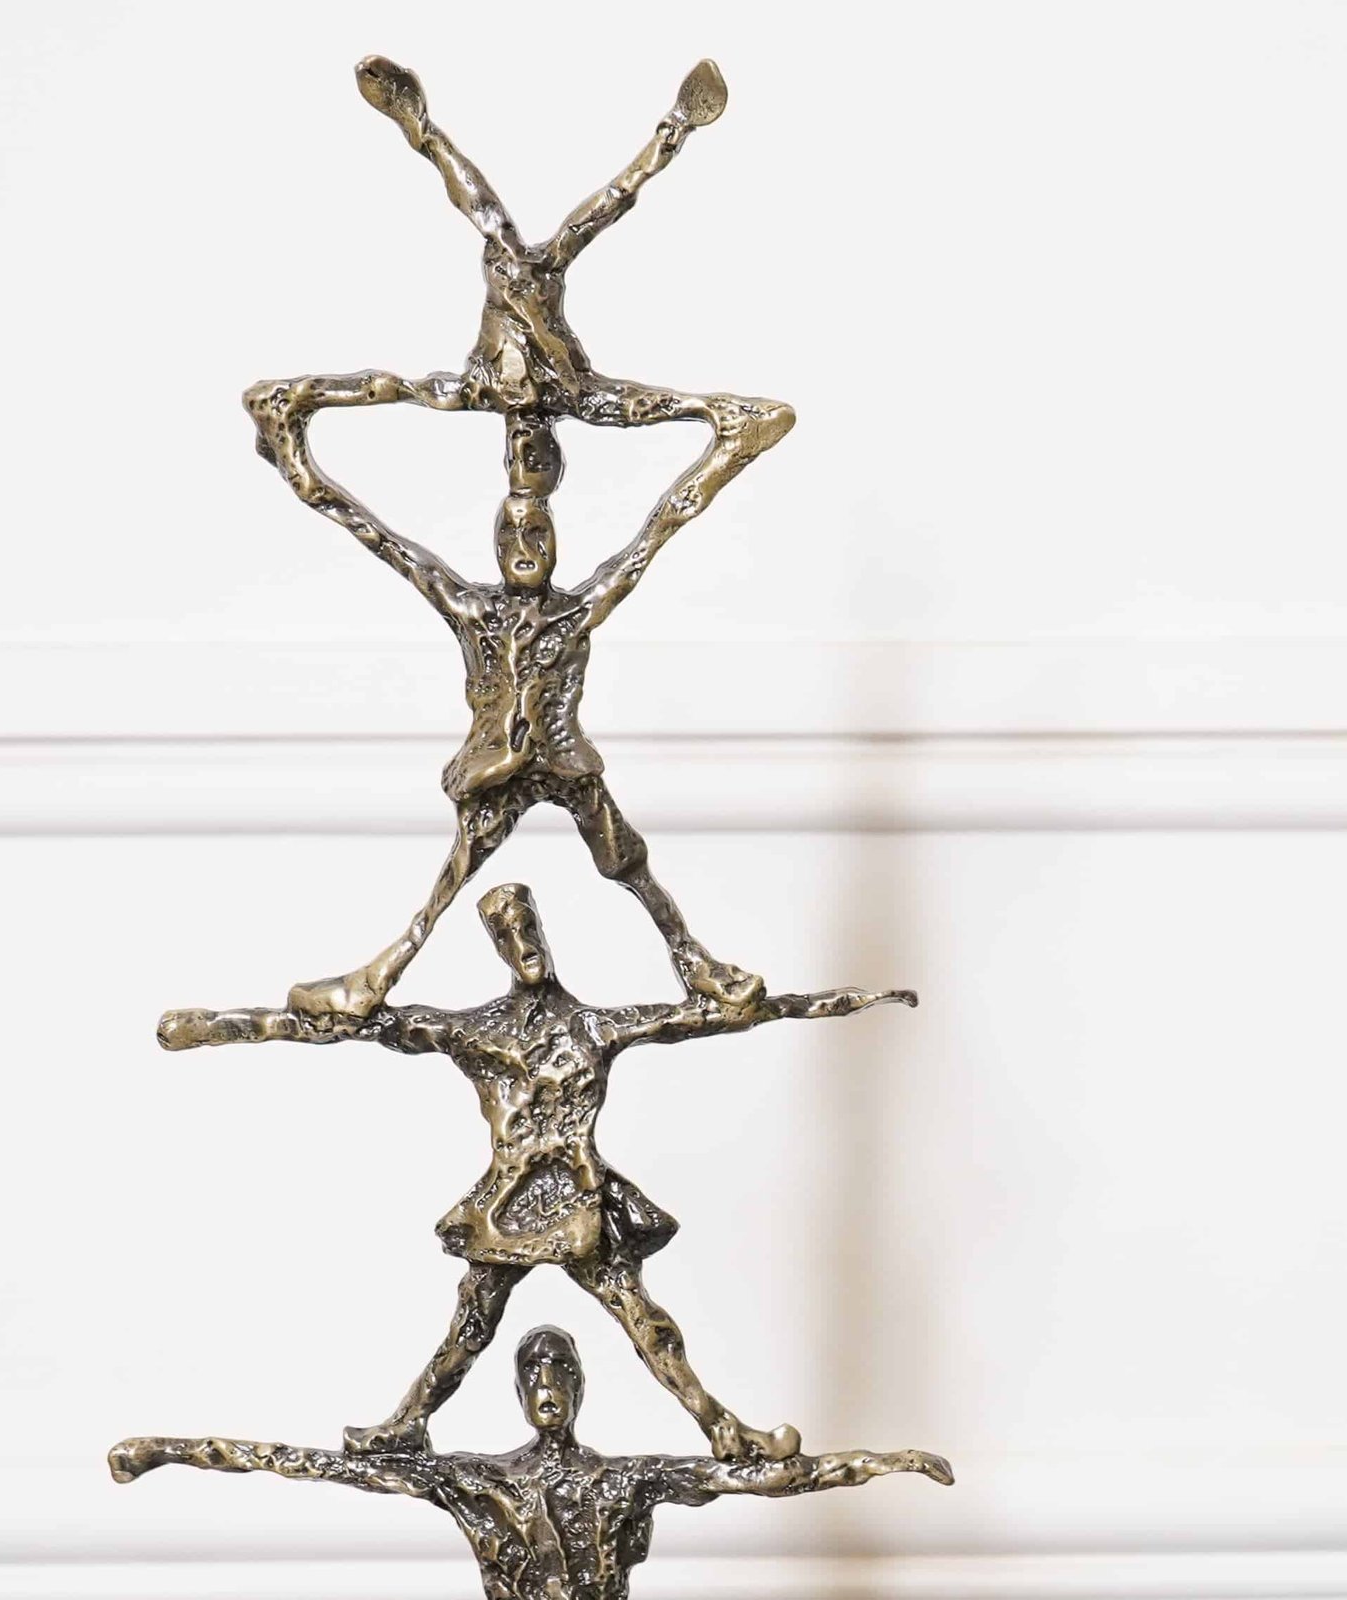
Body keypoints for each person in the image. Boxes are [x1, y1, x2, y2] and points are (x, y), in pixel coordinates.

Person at [240, 57, 797, 1020]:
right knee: (457, 874)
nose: (527, 537)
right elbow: (381, 535)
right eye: (516, 526)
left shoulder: (576, 606)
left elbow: (660, 526)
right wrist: (300, 462)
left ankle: (697, 965)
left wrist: (726, 444)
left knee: (626, 862)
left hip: (564, 758)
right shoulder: (471, 605)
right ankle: (378, 978)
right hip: (500, 762)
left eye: (538, 524)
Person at [158, 883, 916, 1461]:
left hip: (580, 1202)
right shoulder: (477, 1030)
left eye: (529, 927)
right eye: (507, 932)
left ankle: (723, 1428)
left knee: (644, 1323)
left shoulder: (594, 1026)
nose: (523, 942)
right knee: (471, 1327)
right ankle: (408, 1422)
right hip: (511, 1206)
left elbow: (711, 1017)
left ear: (546, 936)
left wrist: (844, 1003)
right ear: (496, 945)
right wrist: (223, 1027)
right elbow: (366, 1027)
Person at [110, 1324, 952, 1600]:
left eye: (560, 1374)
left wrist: (886, 1463)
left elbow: (758, 1478)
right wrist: (175, 1451)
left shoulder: (624, 1479)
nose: (547, 1387)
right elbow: (317, 1465)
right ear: (517, 1392)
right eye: (534, 1375)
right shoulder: (478, 1481)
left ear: (579, 1387)